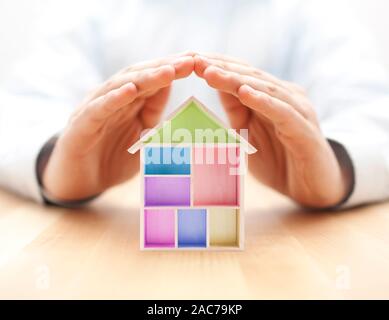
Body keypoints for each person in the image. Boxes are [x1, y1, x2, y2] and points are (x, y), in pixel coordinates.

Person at [1, 0, 389, 209]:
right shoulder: (88, 11)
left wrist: (337, 168)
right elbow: (18, 112)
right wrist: (52, 164)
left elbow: (375, 110)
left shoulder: (307, 11)